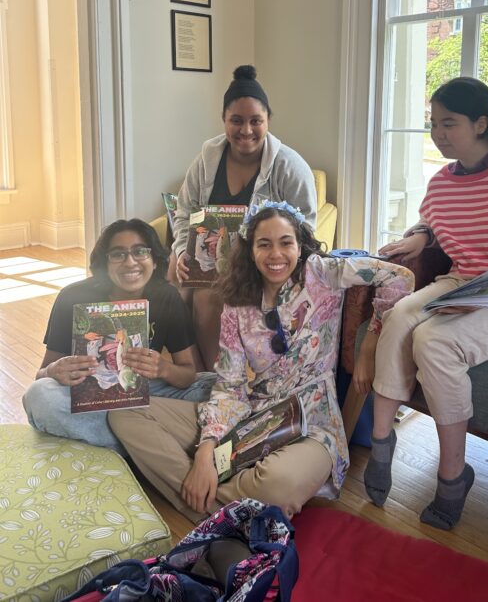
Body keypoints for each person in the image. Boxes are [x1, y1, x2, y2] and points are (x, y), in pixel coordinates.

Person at [108, 201, 414, 522]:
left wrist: (370, 345)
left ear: (300, 245)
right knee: (125, 413)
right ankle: (224, 501)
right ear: (250, 251)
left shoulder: (322, 275)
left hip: (312, 426)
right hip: (250, 420)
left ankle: (203, 500)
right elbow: (230, 386)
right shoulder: (237, 306)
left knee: (276, 485)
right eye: (264, 244)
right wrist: (205, 450)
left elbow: (399, 277)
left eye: (286, 243)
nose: (276, 254)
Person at [355, 77, 488, 531]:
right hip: (462, 281)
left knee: (434, 340)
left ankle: (453, 476)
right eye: (434, 123)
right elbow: (430, 222)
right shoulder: (443, 181)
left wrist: (484, 301)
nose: (438, 134)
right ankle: (380, 441)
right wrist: (414, 239)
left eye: (449, 124)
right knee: (399, 317)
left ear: (481, 123)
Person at [22, 219, 216, 455]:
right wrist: (53, 371)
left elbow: (188, 373)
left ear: (154, 261)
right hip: (90, 398)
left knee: (213, 386)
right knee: (39, 396)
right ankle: (140, 447)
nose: (130, 262)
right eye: (118, 254)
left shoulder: (167, 297)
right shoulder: (72, 297)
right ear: (105, 263)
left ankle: (107, 442)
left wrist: (164, 369)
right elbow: (40, 375)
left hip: (148, 394)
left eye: (140, 251)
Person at [172, 65, 317, 371]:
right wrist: (183, 250)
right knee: (173, 285)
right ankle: (188, 372)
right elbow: (185, 211)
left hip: (260, 263)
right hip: (208, 259)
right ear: (223, 120)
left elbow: (305, 230)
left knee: (207, 298)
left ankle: (214, 377)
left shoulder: (290, 166)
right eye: (236, 121)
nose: (246, 130)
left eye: (256, 121)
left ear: (268, 121)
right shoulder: (205, 160)